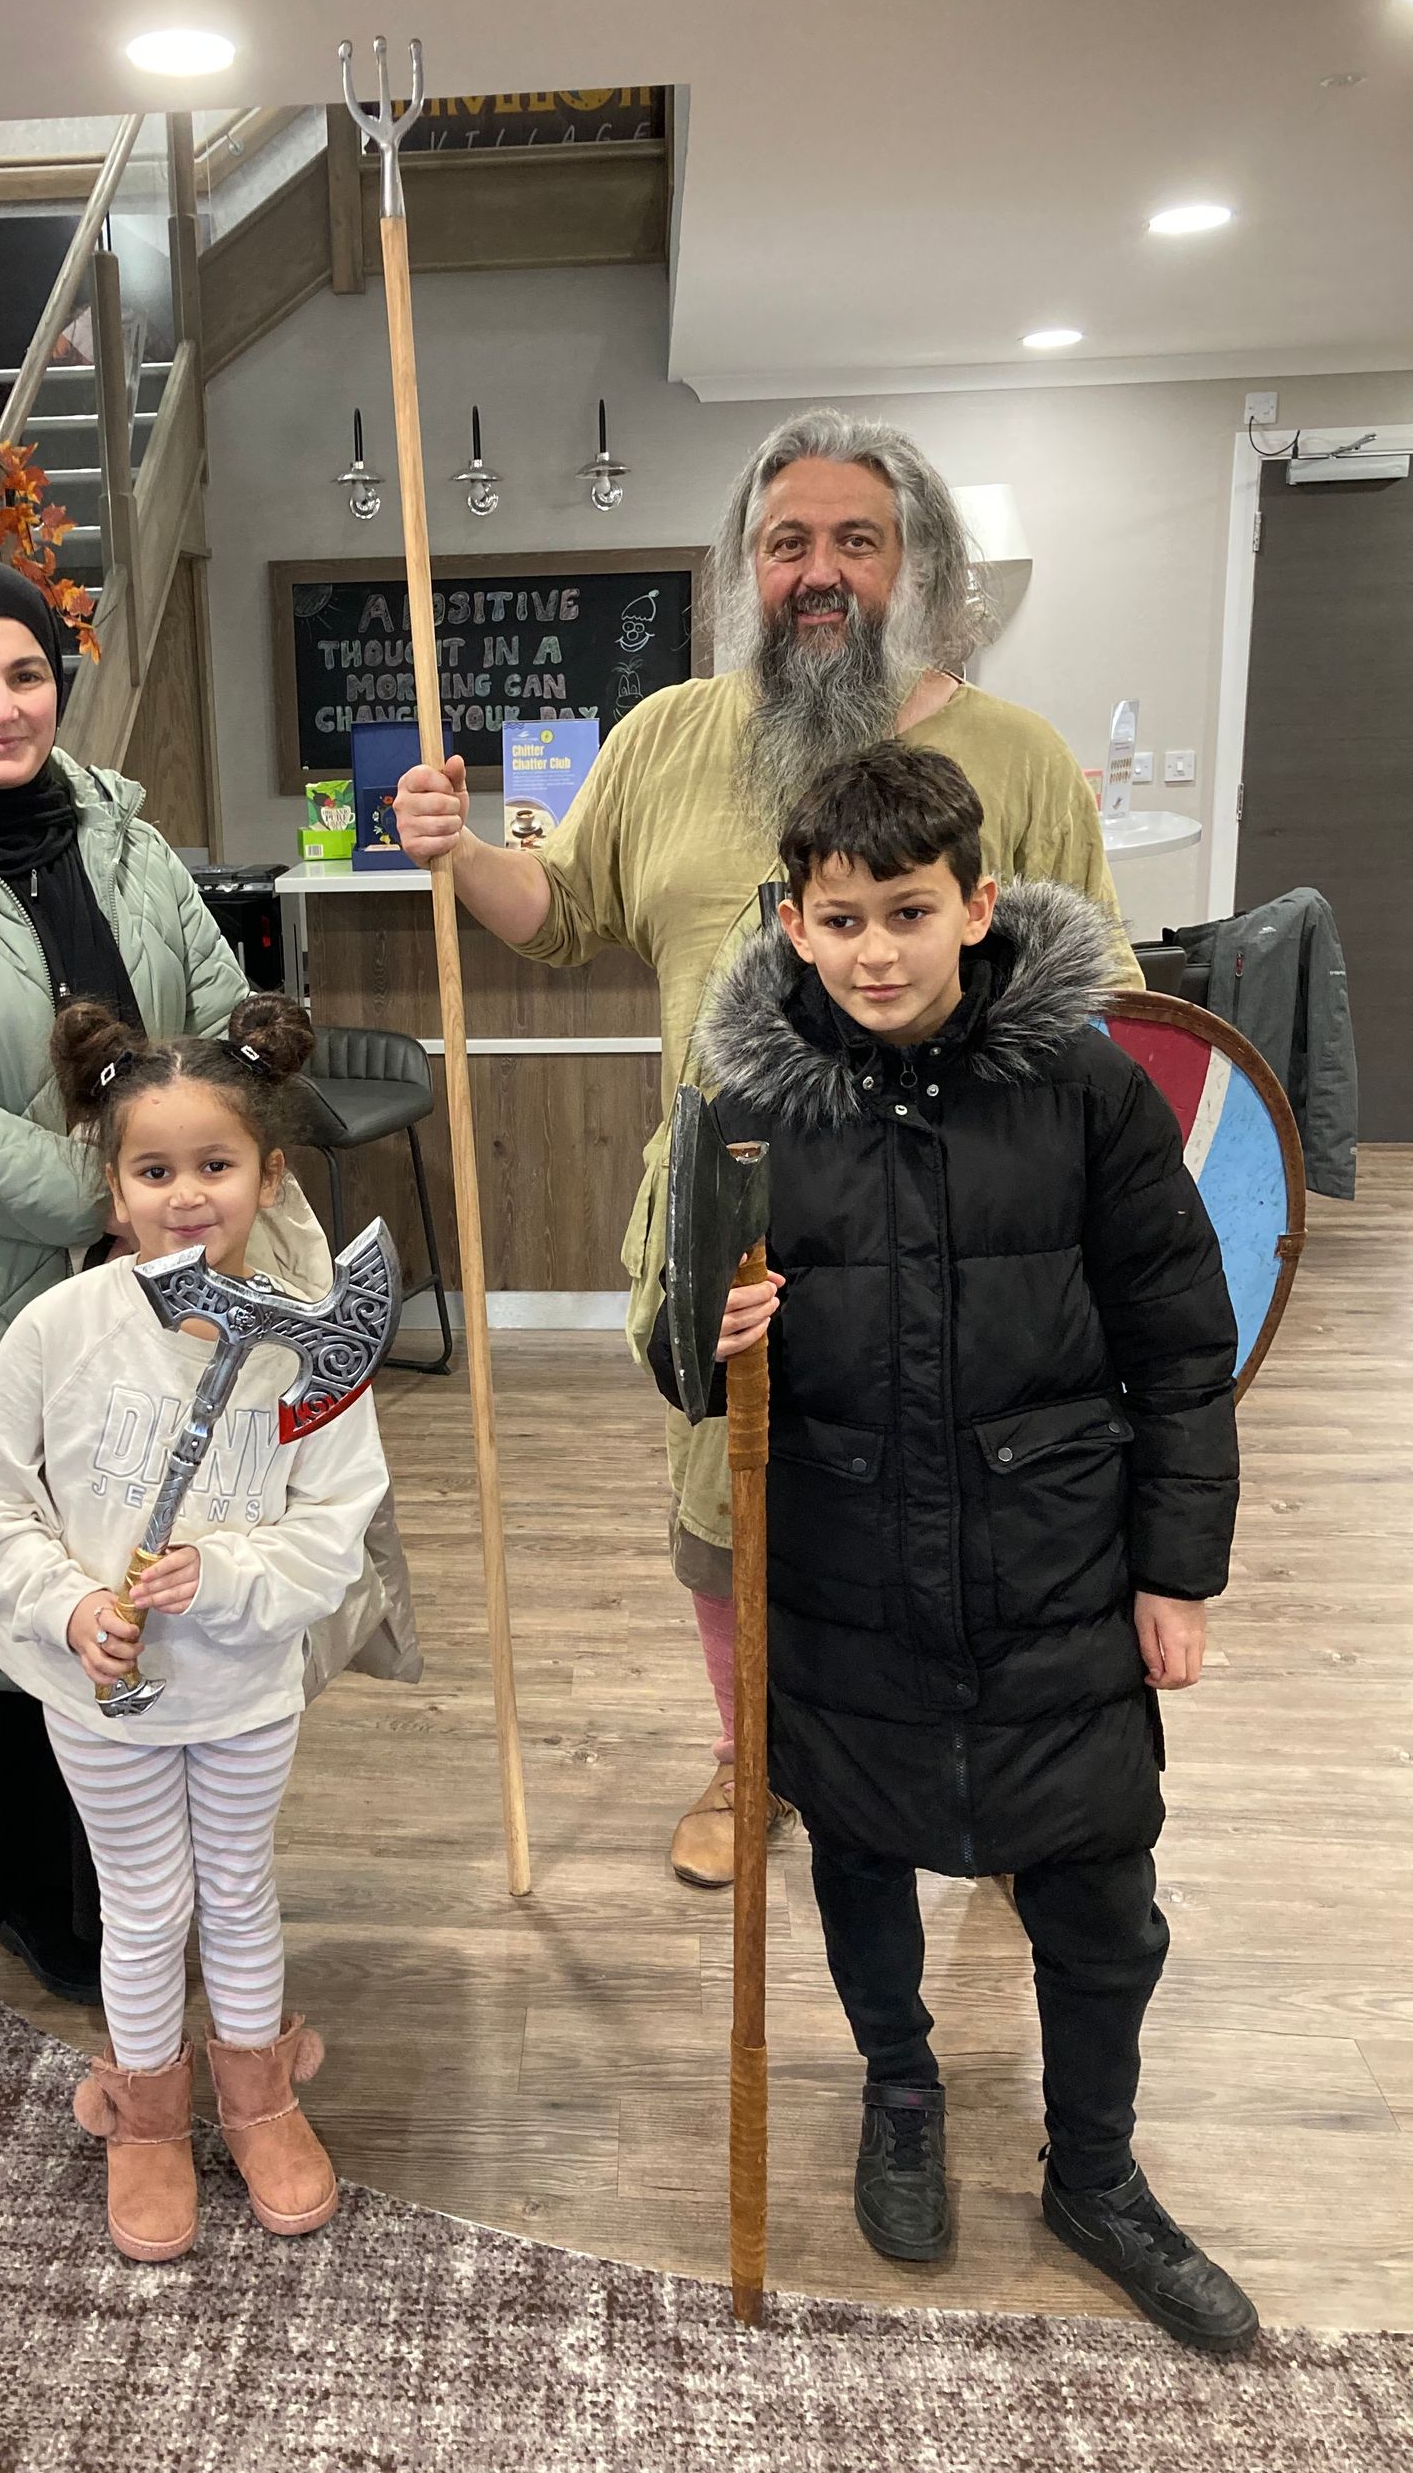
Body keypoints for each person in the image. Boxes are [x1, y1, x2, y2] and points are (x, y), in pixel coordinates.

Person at [394, 406, 1147, 1892]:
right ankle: (756, 1763)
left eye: (855, 542)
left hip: (959, 1223)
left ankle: (985, 1773)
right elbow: (568, 917)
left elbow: (1100, 1003)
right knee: (728, 1505)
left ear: (912, 564)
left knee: (961, 1501)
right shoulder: (667, 735)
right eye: (788, 540)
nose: (820, 571)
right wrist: (461, 849)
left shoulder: (1018, 756)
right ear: (749, 566)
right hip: (735, 1219)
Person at [653, 742, 1254, 2353]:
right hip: (842, 1562)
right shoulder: (742, 1111)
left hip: (1052, 1556)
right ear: (790, 921)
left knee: (1100, 1899)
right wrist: (708, 1331)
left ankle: (1099, 2174)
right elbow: (670, 1349)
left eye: (909, 912)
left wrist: (1176, 1566)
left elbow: (1181, 1339)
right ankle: (901, 2092)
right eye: (840, 918)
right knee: (859, 1854)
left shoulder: (1085, 1084)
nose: (876, 951)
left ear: (978, 906)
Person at [0, 561, 339, 2005]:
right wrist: (117, 1198)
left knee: (158, 1546)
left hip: (170, 1287)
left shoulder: (123, 836)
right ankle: (50, 1908)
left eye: (24, 675)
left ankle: (166, 1887)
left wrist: (232, 1105)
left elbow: (214, 1005)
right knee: (11, 1579)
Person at [0, 994, 391, 2263]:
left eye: (216, 1164)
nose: (187, 1193)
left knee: (239, 1888)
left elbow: (338, 1516)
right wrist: (72, 1602)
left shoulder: (308, 1351)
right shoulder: (60, 1330)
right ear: (113, 1182)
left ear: (269, 1172)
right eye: (156, 1168)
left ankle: (256, 2093)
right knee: (145, 1902)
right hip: (100, 1693)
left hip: (246, 1684)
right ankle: (147, 2111)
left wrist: (232, 1572)